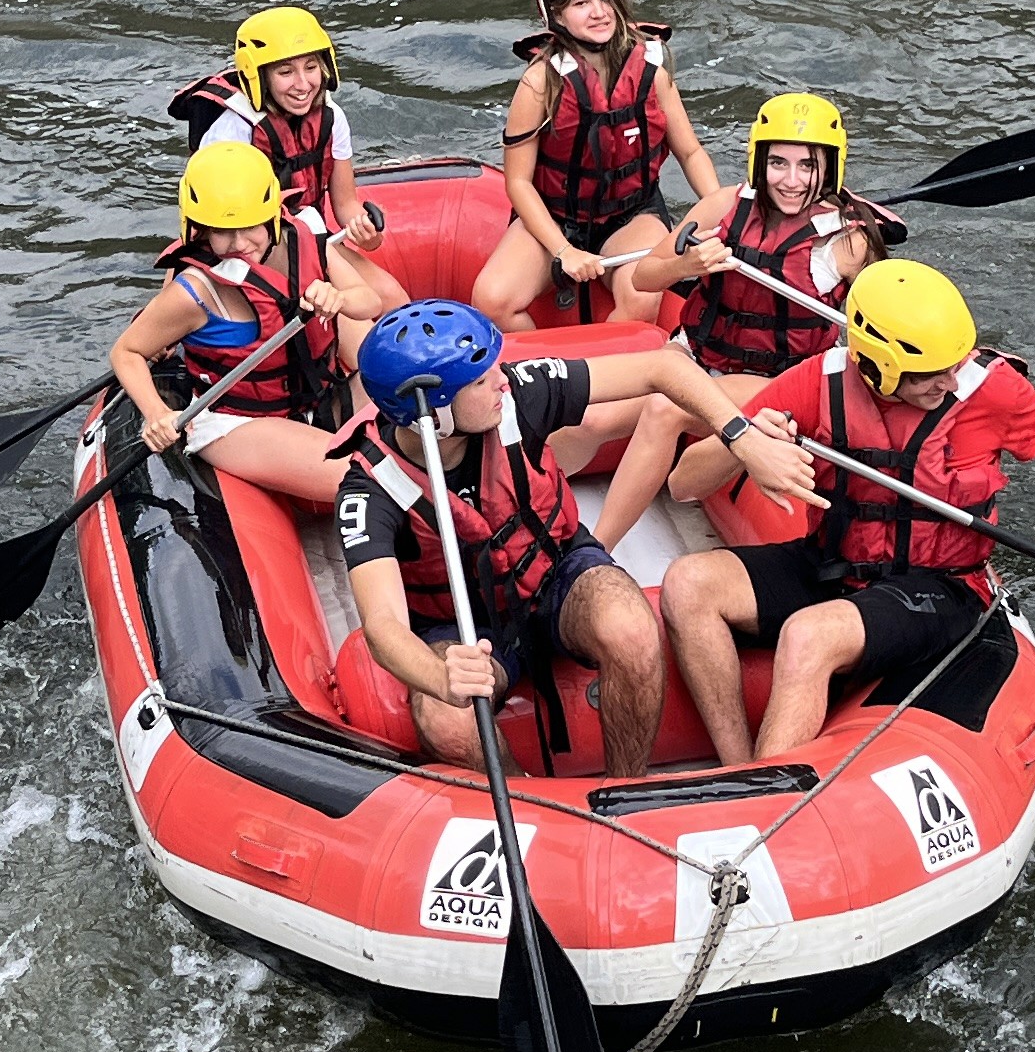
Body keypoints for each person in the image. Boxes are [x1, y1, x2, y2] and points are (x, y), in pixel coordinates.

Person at [659, 258, 1035, 765]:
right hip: (834, 564)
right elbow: (684, 484)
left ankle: (761, 798)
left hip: (941, 587)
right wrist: (745, 441)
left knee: (808, 635)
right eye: (931, 374)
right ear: (877, 365)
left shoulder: (986, 388)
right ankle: (738, 769)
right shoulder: (818, 381)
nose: (949, 381)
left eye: (954, 364)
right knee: (688, 583)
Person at [336, 300, 815, 779]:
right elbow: (383, 626)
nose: (501, 381)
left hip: (557, 573)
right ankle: (535, 815)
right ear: (433, 413)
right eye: (481, 381)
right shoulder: (370, 491)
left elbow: (663, 366)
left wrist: (742, 436)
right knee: (447, 720)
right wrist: (440, 676)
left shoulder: (520, 393)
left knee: (630, 625)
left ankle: (627, 788)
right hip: (461, 626)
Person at [589, 90, 905, 550]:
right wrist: (688, 265)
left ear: (831, 168)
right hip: (696, 355)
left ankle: (593, 553)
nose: (792, 180)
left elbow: (890, 323)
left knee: (664, 408)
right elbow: (644, 277)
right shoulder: (723, 206)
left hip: (777, 380)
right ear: (759, 162)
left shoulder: (848, 242)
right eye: (779, 163)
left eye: (808, 165)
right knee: (592, 424)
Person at [471, 0, 725, 336]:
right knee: (492, 300)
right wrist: (563, 250)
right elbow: (518, 183)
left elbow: (690, 152)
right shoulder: (540, 83)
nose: (599, 12)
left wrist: (717, 212)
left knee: (641, 295)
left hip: (631, 215)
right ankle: (544, 374)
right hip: (558, 217)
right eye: (581, 4)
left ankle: (600, 379)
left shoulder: (651, 69)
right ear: (555, 14)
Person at [103, 144, 363, 514]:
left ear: (272, 215)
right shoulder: (192, 292)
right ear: (199, 228)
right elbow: (125, 352)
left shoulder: (301, 240)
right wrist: (156, 412)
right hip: (237, 420)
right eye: (223, 231)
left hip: (315, 398)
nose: (239, 244)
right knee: (361, 478)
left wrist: (339, 297)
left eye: (250, 226)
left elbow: (371, 302)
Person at [169, 3, 408, 318]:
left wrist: (369, 235)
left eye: (311, 67)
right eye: (285, 72)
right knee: (345, 323)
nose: (303, 84)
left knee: (391, 297)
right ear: (259, 76)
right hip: (252, 249)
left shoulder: (332, 118)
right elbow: (199, 228)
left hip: (310, 239)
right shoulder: (232, 133)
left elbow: (346, 205)